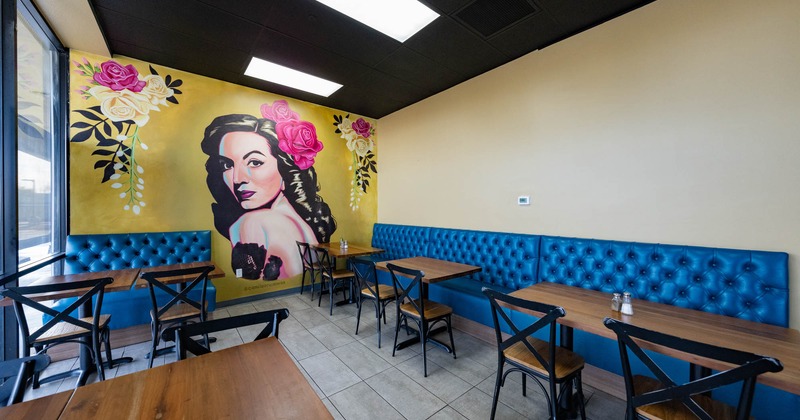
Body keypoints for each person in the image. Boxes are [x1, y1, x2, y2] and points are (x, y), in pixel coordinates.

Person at [201, 114, 336, 280]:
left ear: (284, 170)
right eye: (227, 165)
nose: (237, 179)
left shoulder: (253, 222)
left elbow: (245, 283)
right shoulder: (296, 219)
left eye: (255, 162)